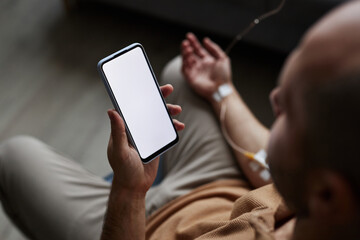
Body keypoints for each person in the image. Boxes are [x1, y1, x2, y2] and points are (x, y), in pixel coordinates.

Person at [1, 0, 360, 239]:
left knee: (13, 157)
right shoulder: (328, 198)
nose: (273, 99)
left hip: (148, 225)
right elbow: (270, 170)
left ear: (327, 195)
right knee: (184, 74)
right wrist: (223, 90)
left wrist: (129, 191)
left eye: (288, 111)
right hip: (228, 188)